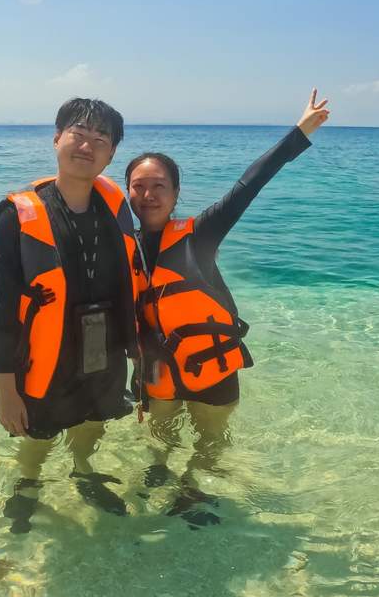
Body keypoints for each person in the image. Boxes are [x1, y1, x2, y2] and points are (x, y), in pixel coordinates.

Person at [125, 88, 330, 526]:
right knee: (160, 437)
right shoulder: (121, 247)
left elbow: (248, 184)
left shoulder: (201, 234)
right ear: (127, 194)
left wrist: (299, 132)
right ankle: (160, 470)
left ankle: (193, 485)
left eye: (159, 185)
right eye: (138, 187)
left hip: (210, 366)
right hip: (158, 370)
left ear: (177, 193)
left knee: (210, 441)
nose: (148, 194)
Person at [0, 98, 144, 532]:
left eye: (100, 140)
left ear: (111, 155)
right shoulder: (17, 216)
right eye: (78, 134)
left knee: (93, 422)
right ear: (57, 138)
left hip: (102, 348)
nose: (87, 146)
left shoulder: (114, 207)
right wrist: (6, 393)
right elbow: (0, 309)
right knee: (37, 434)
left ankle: (83, 471)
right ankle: (27, 485)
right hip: (44, 353)